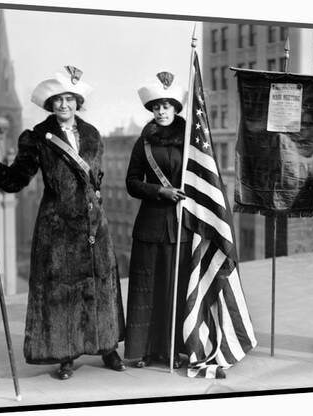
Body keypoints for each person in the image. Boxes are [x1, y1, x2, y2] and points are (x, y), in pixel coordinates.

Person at [0, 66, 126, 379]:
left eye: (69, 98)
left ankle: (108, 347)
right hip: (58, 228)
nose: (64, 105)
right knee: (61, 292)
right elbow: (16, 179)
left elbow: (96, 179)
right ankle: (65, 354)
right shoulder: (37, 137)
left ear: (77, 101)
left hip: (95, 225)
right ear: (50, 103)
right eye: (58, 99)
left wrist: (97, 211)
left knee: (101, 286)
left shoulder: (93, 134)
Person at [124, 72, 191, 368]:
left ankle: (173, 349)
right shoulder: (144, 143)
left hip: (181, 225)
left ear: (176, 108)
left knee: (174, 287)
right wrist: (160, 191)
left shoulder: (191, 142)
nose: (161, 111)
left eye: (166, 106)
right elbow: (131, 182)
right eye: (156, 107)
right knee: (146, 287)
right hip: (150, 225)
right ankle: (144, 350)